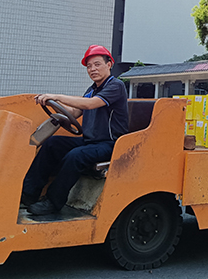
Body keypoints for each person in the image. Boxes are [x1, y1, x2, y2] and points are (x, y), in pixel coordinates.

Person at [22, 45, 129, 215]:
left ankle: (53, 202)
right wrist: (52, 104)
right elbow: (74, 112)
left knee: (76, 156)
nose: (92, 69)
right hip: (90, 141)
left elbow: (90, 104)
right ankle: (28, 194)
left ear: (109, 64)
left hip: (110, 144)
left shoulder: (116, 86)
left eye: (97, 64)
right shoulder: (91, 90)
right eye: (89, 66)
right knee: (52, 143)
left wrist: (57, 96)